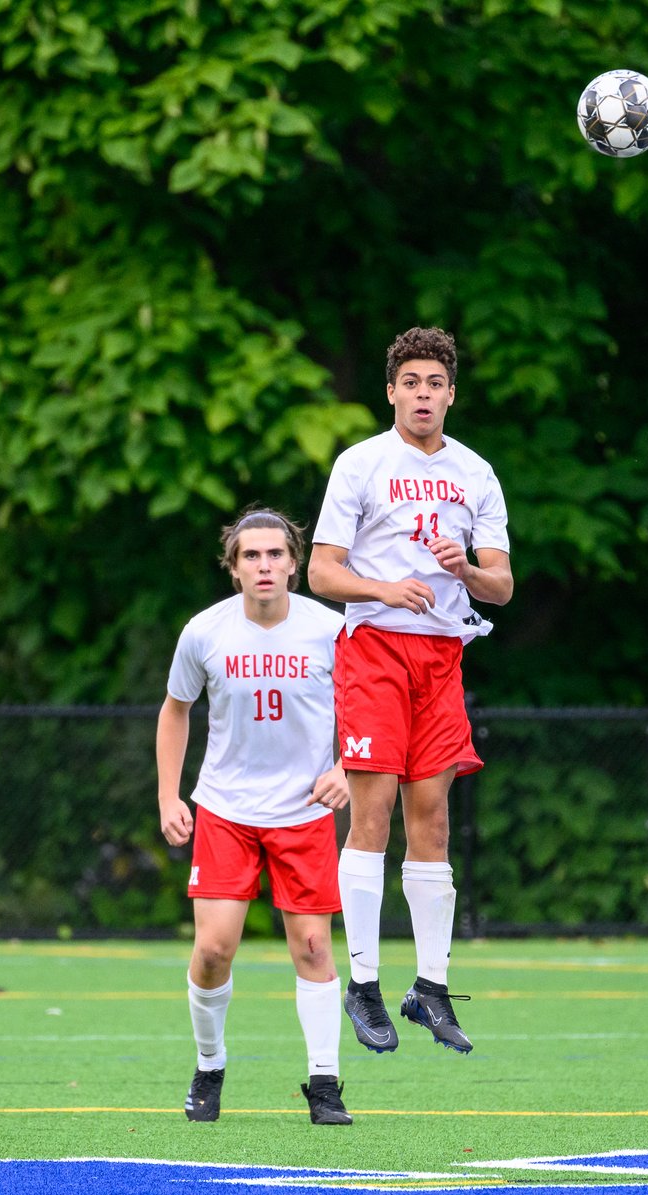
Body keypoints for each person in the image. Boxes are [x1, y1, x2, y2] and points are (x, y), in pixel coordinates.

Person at [308, 326, 512, 1056]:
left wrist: (465, 572)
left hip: (442, 658)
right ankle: (362, 985)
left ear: (451, 394)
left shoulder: (476, 473)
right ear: (391, 390)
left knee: (434, 823)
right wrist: (384, 588)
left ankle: (428, 990)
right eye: (411, 383)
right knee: (375, 813)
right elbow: (323, 572)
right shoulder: (361, 463)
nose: (423, 395)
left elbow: (503, 585)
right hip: (375, 652)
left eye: (436, 384)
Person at [156, 507, 354, 1125]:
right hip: (226, 811)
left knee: (316, 946)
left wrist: (347, 767)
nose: (264, 565)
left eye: (275, 555)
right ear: (234, 568)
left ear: (295, 565)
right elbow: (175, 710)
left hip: (303, 813)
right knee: (214, 949)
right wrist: (169, 796)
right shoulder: (205, 632)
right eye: (251, 556)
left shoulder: (332, 630)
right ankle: (209, 1067)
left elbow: (368, 709)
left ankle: (325, 1085)